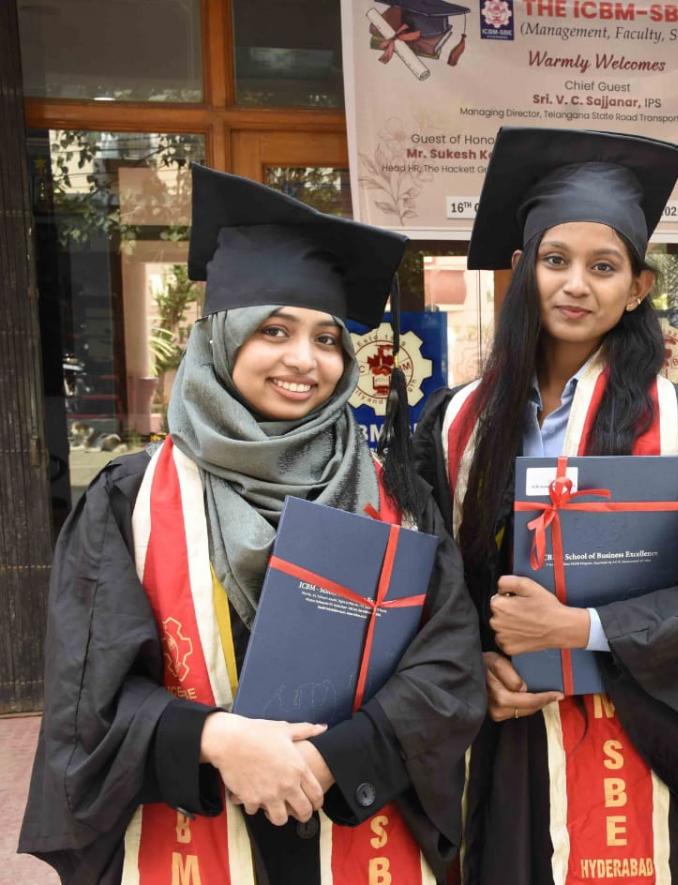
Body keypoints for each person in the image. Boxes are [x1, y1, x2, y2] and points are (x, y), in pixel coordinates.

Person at [19, 165, 485, 884]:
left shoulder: (396, 493)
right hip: (195, 820)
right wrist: (215, 738)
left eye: (328, 338)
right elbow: (88, 686)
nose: (305, 361)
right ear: (221, 336)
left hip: (353, 815)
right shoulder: (132, 498)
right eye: (275, 330)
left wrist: (333, 756)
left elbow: (447, 663)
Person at [411, 127, 678, 884]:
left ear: (638, 287)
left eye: (604, 267)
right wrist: (470, 663)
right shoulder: (453, 423)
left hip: (631, 728)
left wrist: (582, 629)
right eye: (555, 260)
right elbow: (422, 582)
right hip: (498, 732)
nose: (576, 285)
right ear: (521, 269)